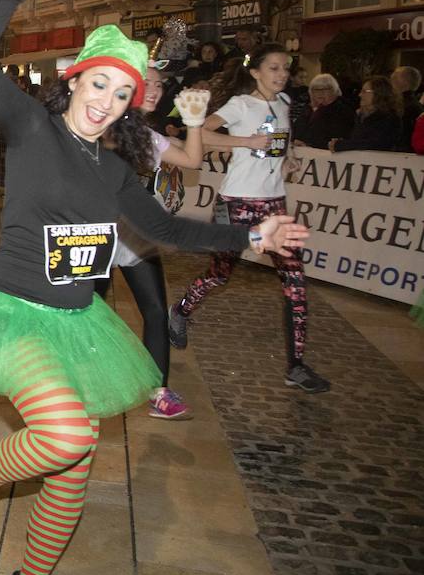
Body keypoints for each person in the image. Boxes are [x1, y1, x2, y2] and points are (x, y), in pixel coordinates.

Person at [0, 0, 307, 575]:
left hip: (79, 322)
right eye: (97, 82)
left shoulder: (114, 168)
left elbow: (167, 228)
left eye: (120, 92)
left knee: (73, 470)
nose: (105, 100)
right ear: (73, 79)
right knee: (68, 432)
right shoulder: (31, 129)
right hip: (14, 312)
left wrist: (254, 231)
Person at [169, 43, 330, 393]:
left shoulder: (286, 104)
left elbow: (279, 142)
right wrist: (245, 141)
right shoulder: (241, 104)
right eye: (273, 68)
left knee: (296, 283)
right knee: (219, 275)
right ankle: (180, 311)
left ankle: (297, 367)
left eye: (286, 68)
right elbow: (201, 135)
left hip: (274, 205)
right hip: (237, 202)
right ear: (256, 72)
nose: (281, 75)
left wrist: (288, 158)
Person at [94, 62, 210, 420]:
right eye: (147, 82)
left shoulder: (147, 136)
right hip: (92, 231)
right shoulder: (99, 122)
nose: (156, 89)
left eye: (160, 84)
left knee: (157, 310)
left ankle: (159, 391)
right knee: (87, 312)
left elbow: (191, 159)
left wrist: (193, 121)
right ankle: (81, 379)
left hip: (134, 231)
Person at [329, 75, 401, 153]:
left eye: (364, 91)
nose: (360, 95)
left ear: (378, 93)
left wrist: (342, 145)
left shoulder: (390, 119)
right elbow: (357, 140)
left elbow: (375, 144)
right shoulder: (361, 116)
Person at [296, 73, 355, 149]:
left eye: (325, 89)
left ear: (334, 90)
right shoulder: (308, 109)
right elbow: (297, 130)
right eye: (316, 89)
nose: (320, 93)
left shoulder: (342, 110)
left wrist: (308, 145)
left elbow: (336, 138)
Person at [391, 65, 422, 151]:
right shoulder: (414, 106)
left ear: (405, 81)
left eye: (395, 76)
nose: (391, 78)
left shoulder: (407, 107)